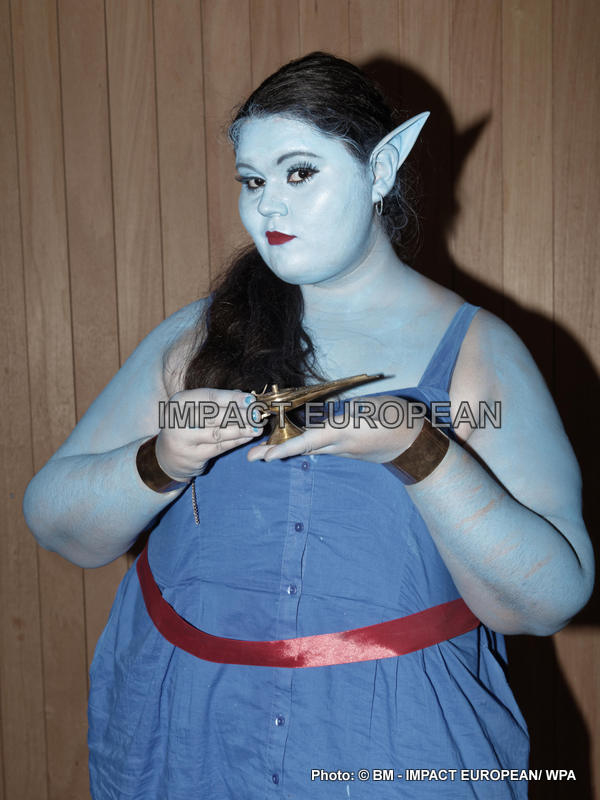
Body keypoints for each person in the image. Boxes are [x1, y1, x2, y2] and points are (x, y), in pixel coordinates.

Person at [23, 52, 593, 799]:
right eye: (252, 181)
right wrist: (160, 461)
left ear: (380, 168)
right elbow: (58, 523)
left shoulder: (479, 352)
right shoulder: (194, 337)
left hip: (395, 748)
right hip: (190, 735)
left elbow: (546, 600)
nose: (268, 208)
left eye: (299, 173)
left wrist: (419, 449)